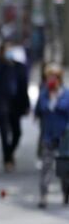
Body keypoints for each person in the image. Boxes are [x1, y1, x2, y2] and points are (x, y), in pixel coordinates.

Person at [0, 44, 30, 171]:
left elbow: (24, 88)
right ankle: (7, 159)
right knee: (3, 132)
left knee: (17, 132)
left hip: (16, 105)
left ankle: (10, 151)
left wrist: (27, 105)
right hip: (2, 103)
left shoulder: (20, 67)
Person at [35, 63, 69, 208]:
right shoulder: (44, 94)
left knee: (63, 168)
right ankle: (44, 195)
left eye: (54, 76)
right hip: (48, 136)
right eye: (49, 76)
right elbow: (38, 110)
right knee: (46, 166)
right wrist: (49, 97)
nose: (51, 79)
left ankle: (66, 194)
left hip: (63, 136)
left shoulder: (66, 94)